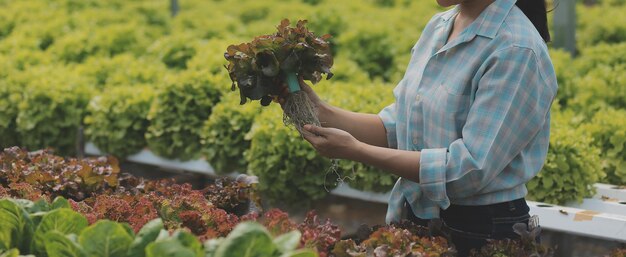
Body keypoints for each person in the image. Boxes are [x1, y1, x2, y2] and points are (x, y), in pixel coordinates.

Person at [297, 0, 557, 255]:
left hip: (481, 229)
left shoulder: (516, 49)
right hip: (419, 215)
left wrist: (357, 151)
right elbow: (402, 126)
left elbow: (468, 170)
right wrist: (321, 112)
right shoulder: (439, 26)